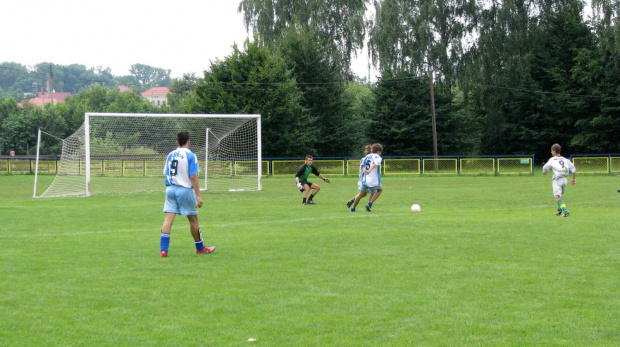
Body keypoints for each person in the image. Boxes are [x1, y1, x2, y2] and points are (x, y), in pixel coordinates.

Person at [160, 131, 215, 257]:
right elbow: (193, 177)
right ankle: (200, 248)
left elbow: (166, 172)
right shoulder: (191, 155)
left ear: (177, 142)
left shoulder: (171, 154)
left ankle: (164, 250)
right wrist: (199, 196)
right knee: (193, 220)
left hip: (170, 189)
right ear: (189, 141)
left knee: (168, 219)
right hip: (184, 190)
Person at [542, 143, 576, 217]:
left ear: (554, 151)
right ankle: (559, 209)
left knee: (557, 197)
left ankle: (566, 211)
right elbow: (573, 169)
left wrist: (545, 172)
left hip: (557, 180)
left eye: (551, 151)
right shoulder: (565, 159)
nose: (551, 152)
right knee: (559, 196)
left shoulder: (552, 159)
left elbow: (545, 168)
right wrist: (573, 179)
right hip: (565, 180)